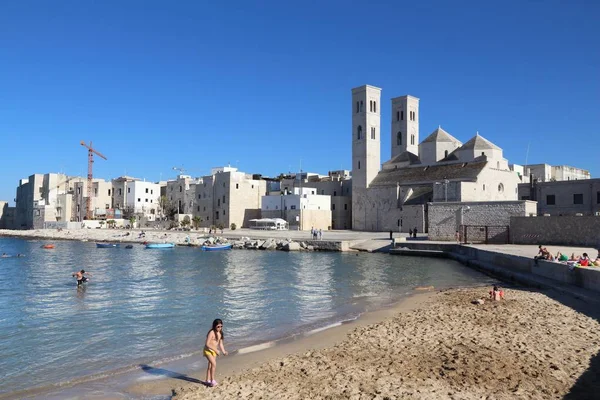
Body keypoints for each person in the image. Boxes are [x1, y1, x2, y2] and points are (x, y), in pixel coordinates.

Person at [204, 318, 228, 387]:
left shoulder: (220, 333)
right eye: (218, 326)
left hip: (214, 351)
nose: (220, 328)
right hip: (208, 350)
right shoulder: (211, 332)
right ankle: (212, 380)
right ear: (214, 326)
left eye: (221, 326)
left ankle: (207, 380)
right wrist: (216, 350)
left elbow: (220, 344)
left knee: (210, 365)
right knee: (214, 364)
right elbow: (207, 344)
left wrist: (223, 351)